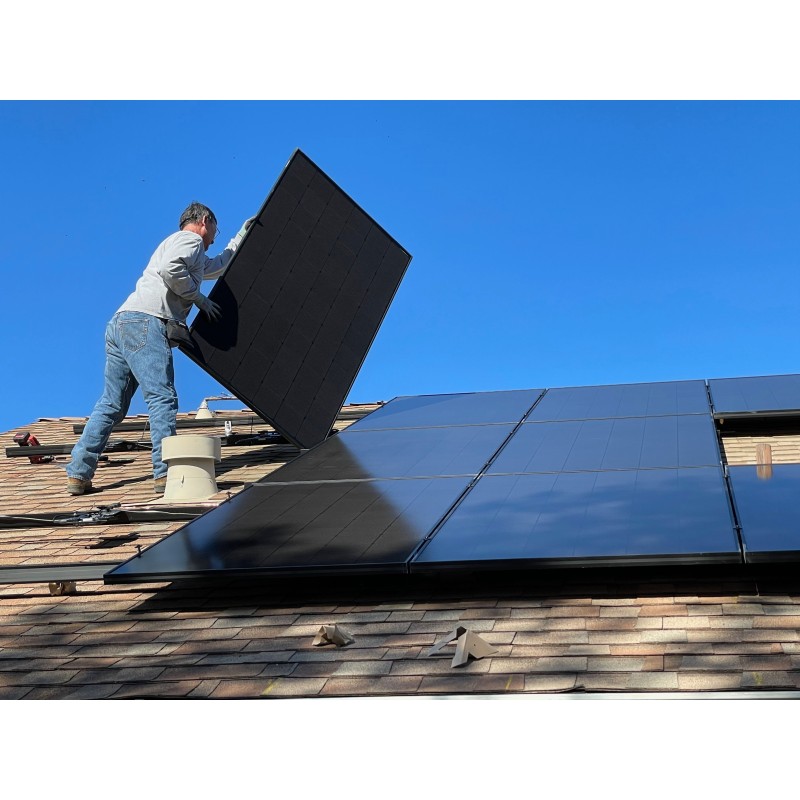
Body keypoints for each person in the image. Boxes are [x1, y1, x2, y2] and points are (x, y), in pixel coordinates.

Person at [66, 202, 254, 496]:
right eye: (216, 229)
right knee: (162, 398)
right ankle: (165, 474)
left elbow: (216, 266)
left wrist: (241, 236)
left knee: (111, 405)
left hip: (121, 323)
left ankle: (78, 473)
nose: (216, 237)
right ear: (205, 221)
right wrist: (199, 300)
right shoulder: (190, 240)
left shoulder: (181, 246)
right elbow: (171, 270)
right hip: (146, 322)